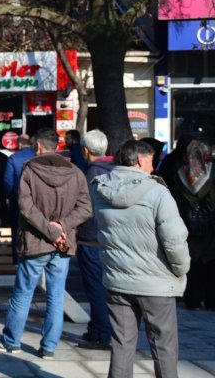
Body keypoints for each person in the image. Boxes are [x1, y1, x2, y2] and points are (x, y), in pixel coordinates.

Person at [0, 128, 91, 359]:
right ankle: (49, 347)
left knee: (23, 293)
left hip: (35, 241)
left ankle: (11, 341)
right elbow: (85, 208)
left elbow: (26, 208)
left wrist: (52, 229)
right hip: (62, 243)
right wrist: (62, 227)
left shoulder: (30, 170)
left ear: (39, 147)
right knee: (56, 295)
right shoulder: (75, 172)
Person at [92, 140, 190, 378]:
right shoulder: (157, 192)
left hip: (118, 279)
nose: (153, 167)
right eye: (151, 161)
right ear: (140, 160)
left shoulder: (100, 189)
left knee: (121, 345)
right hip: (155, 281)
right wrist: (180, 269)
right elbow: (174, 239)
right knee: (164, 347)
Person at [76, 129, 114, 349]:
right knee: (106, 287)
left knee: (96, 288)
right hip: (111, 237)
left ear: (85, 150)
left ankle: (102, 333)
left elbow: (86, 210)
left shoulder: (91, 174)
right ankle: (96, 329)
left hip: (91, 238)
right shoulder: (115, 171)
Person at [169, 140, 215, 310]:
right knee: (211, 265)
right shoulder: (213, 173)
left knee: (192, 265)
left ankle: (192, 301)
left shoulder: (181, 174)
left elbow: (175, 201)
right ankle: (211, 301)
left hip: (188, 226)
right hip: (211, 229)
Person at [3, 134, 36, 260]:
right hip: (36, 201)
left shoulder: (13, 158)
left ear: (19, 144)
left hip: (17, 200)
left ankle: (17, 259)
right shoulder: (37, 157)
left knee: (17, 230)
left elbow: (8, 182)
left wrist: (8, 196)